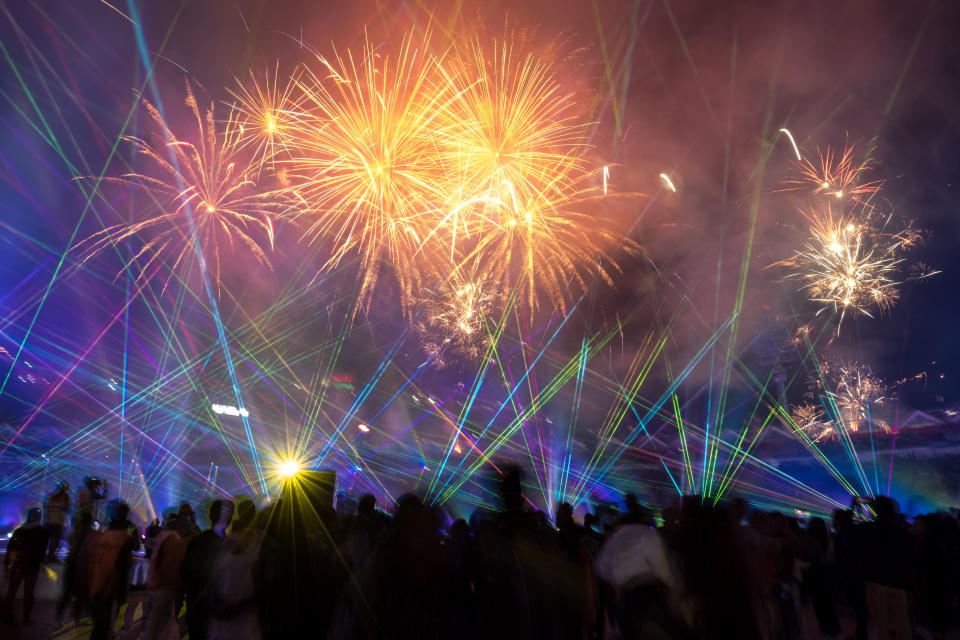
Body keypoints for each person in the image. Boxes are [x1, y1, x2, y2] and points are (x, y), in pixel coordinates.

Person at [77, 501, 138, 640]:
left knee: (107, 602)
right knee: (112, 601)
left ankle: (103, 630)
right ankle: (106, 630)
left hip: (111, 567)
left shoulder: (111, 525)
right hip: (120, 568)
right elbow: (136, 545)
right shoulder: (129, 527)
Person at [182, 499, 235, 640]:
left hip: (200, 612)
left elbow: (186, 574)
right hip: (212, 613)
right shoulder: (230, 546)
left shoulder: (198, 542)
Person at [2, 507, 49, 626]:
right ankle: (26, 619)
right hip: (32, 566)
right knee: (29, 593)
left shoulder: (19, 531)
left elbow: (10, 549)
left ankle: (7, 618)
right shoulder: (42, 531)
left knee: (12, 591)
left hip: (18, 565)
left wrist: (7, 566)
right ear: (39, 517)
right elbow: (42, 551)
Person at [55, 511, 94, 627]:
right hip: (83, 566)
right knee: (80, 595)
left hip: (72, 564)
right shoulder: (91, 534)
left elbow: (69, 541)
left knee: (66, 593)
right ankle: (76, 620)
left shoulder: (75, 534)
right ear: (90, 522)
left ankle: (58, 620)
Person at [44, 482, 71, 562]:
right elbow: (66, 508)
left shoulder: (50, 495)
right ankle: (51, 556)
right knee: (56, 539)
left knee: (47, 539)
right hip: (58, 521)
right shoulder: (65, 497)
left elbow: (45, 505)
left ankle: (45, 556)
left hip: (49, 521)